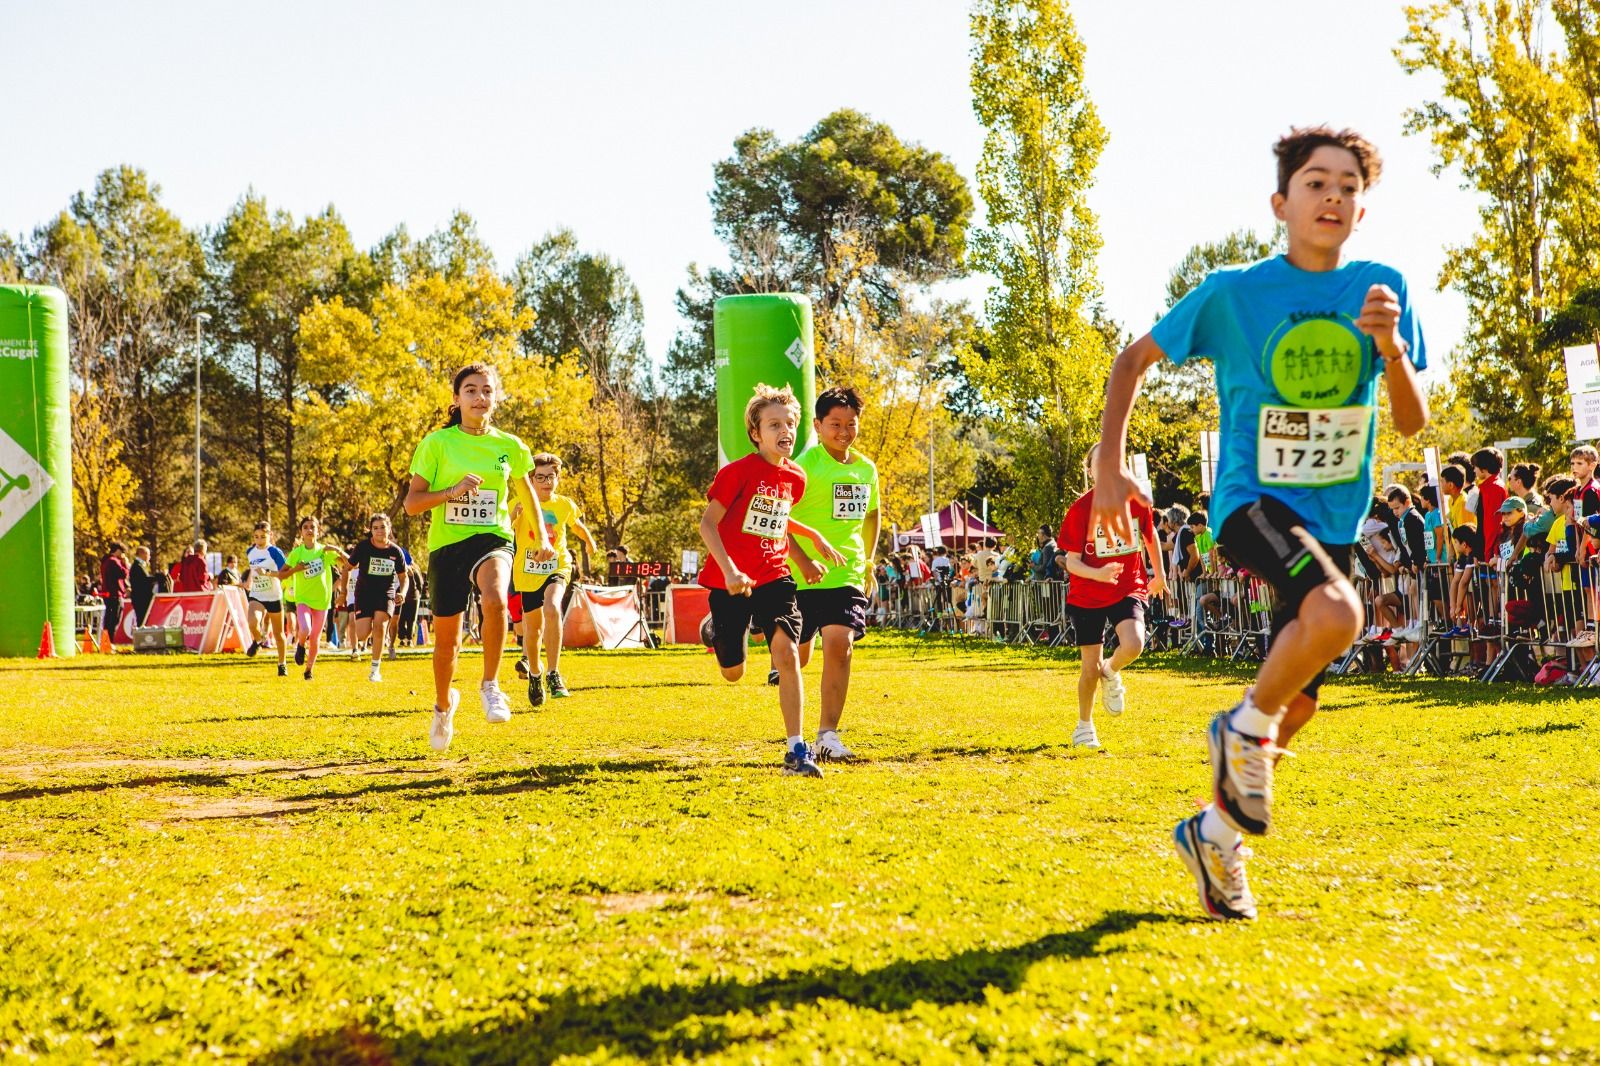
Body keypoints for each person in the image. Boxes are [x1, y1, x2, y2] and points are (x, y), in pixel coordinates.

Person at [1092, 126, 1428, 921]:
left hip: (1334, 514)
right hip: (1250, 502)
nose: (1333, 196)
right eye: (1316, 183)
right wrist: (1110, 468)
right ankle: (1237, 730)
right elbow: (1130, 362)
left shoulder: (1381, 289)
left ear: (1362, 209)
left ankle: (1214, 836)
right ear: (1281, 202)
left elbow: (1411, 423)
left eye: (1348, 186)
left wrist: (1390, 349)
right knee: (1339, 613)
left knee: (1300, 701)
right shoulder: (1234, 292)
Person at [698, 382, 844, 778]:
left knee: (788, 652)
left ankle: (796, 749)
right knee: (733, 672)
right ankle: (717, 630)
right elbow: (707, 524)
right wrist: (729, 571)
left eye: (790, 424)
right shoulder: (736, 473)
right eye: (774, 424)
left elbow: (776, 523)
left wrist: (805, 549)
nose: (785, 432)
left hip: (773, 575)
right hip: (731, 579)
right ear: (755, 433)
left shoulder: (795, 477)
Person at [405, 363, 551, 751]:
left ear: (496, 397)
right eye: (470, 390)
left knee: (497, 599)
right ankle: (442, 706)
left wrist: (541, 538)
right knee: (446, 644)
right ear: (456, 399)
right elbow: (412, 504)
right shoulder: (437, 444)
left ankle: (490, 684)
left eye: (487, 390)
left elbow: (527, 494)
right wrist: (450, 492)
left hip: (493, 538)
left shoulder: (510, 446)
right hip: (447, 544)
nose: (479, 397)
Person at [781, 386, 880, 761]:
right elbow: (779, 521)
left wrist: (867, 562)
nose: (843, 431)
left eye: (850, 424)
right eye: (834, 423)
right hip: (800, 575)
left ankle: (828, 734)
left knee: (840, 646)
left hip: (846, 572)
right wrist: (803, 559)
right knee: (797, 658)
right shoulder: (803, 467)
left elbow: (872, 516)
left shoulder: (866, 469)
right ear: (818, 425)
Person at [1059, 445, 1165, 749]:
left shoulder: (1136, 501)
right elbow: (1071, 561)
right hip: (1087, 593)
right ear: (1090, 471)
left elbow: (1150, 535)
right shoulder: (1081, 509)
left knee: (1134, 644)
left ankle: (1111, 670)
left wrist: (1159, 574)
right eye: (1098, 466)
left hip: (1126, 585)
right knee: (1088, 667)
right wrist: (1099, 573)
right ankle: (1084, 726)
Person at [512, 453, 597, 706]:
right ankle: (535, 674)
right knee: (533, 628)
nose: (546, 482)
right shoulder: (519, 502)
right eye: (540, 477)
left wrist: (589, 540)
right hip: (528, 571)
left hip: (557, 566)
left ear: (558, 478)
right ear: (531, 479)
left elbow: (577, 525)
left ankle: (553, 672)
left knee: (552, 607)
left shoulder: (564, 504)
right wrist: (513, 515)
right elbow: (503, 528)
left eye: (551, 477)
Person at [276, 516, 350, 681]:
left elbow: (350, 563)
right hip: (303, 599)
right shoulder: (297, 553)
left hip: (322, 601)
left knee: (315, 638)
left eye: (312, 527)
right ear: (301, 532)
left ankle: (309, 670)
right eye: (306, 527)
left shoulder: (325, 551)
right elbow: (281, 574)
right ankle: (300, 646)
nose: (309, 530)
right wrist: (296, 569)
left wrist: (337, 550)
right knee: (305, 629)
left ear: (318, 531)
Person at [345, 513, 409, 683]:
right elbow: (347, 567)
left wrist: (402, 592)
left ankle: (375, 670)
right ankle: (364, 642)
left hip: (385, 593)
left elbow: (404, 577)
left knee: (379, 627)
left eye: (383, 527)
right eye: (375, 528)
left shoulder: (396, 551)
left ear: (389, 528)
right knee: (362, 633)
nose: (379, 531)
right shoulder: (363, 547)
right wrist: (344, 593)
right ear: (371, 531)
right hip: (364, 593)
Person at [244, 521, 290, 676]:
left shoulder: (275, 552)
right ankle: (258, 641)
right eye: (256, 537)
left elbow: (285, 574)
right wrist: (249, 581)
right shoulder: (250, 551)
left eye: (263, 537)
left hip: (274, 595)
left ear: (270, 535)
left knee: (278, 634)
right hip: (257, 594)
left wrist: (268, 573)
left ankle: (282, 663)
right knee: (252, 622)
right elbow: (252, 569)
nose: (259, 540)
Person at [129, 545, 154, 625]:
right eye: (148, 554)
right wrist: (158, 577)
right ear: (143, 554)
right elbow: (144, 580)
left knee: (143, 620)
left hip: (140, 598)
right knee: (142, 620)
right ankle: (141, 636)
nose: (149, 557)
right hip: (140, 598)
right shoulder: (137, 566)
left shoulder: (140, 566)